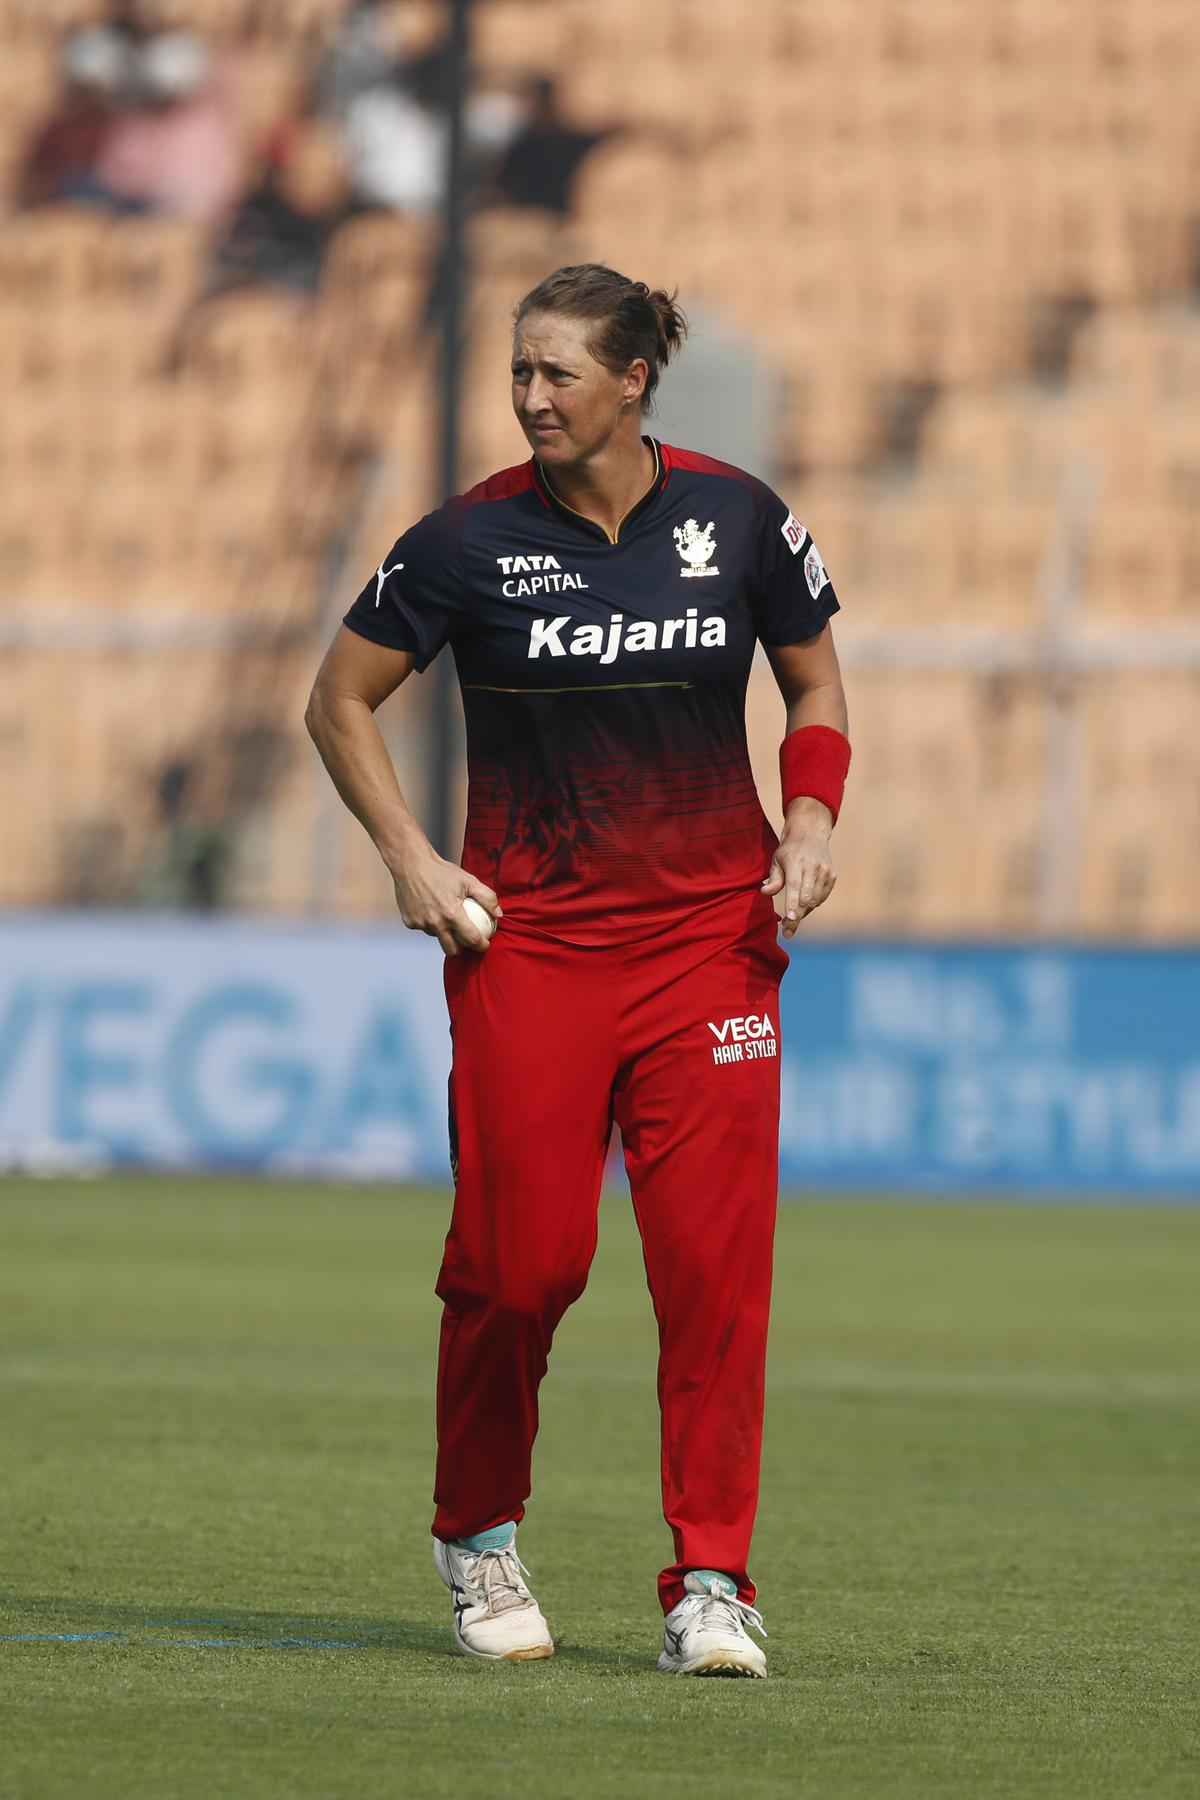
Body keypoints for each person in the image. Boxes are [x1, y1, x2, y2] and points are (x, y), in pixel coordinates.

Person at [305, 264, 850, 1679]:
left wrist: (807, 820)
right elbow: (338, 700)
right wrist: (413, 863)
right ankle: (475, 1529)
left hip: (708, 957)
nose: (531, 397)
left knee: (714, 1277)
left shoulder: (739, 519)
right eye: (519, 373)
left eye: (558, 373)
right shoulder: (464, 540)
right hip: (532, 952)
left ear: (631, 382)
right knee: (518, 1267)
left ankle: (713, 1581)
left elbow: (816, 689)